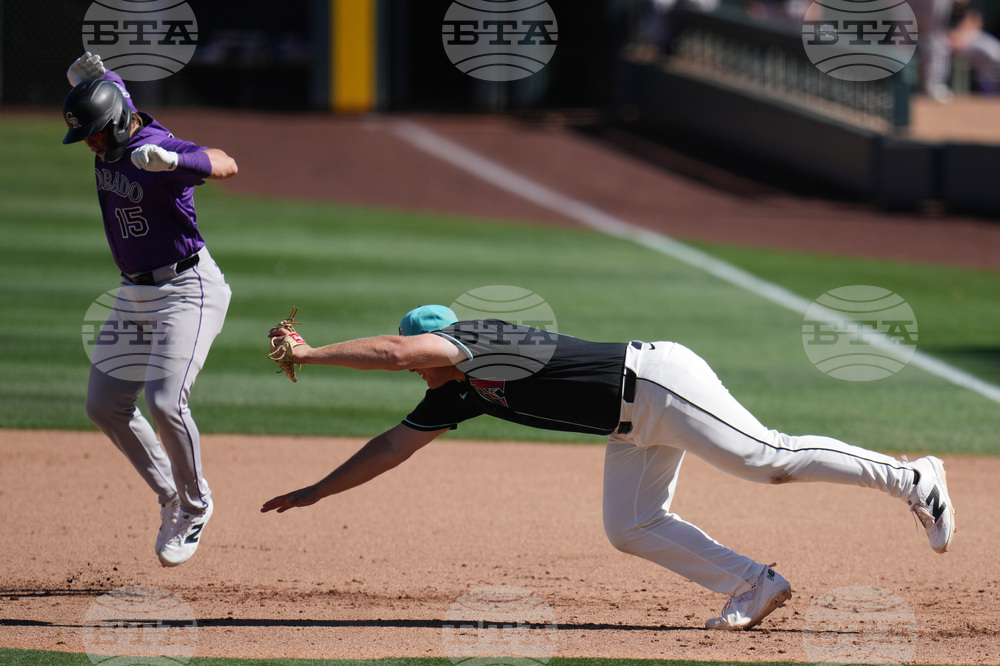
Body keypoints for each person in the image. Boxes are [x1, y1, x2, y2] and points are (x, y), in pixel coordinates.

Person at [261, 305, 956, 630]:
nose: (423, 360)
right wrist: (320, 490)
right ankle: (754, 583)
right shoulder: (457, 398)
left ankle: (914, 478)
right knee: (630, 524)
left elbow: (397, 351)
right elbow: (391, 447)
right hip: (630, 422)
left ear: (441, 342)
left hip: (655, 382)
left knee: (764, 458)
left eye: (427, 349)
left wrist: (312, 354)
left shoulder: (477, 344)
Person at [62, 52, 238, 567]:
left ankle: (196, 505)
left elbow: (226, 162)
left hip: (188, 290)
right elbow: (99, 82)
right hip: (134, 294)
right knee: (105, 404)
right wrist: (83, 74)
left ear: (117, 122)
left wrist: (175, 162)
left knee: (165, 402)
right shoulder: (113, 105)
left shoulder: (154, 146)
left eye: (95, 134)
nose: (90, 143)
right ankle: (171, 498)